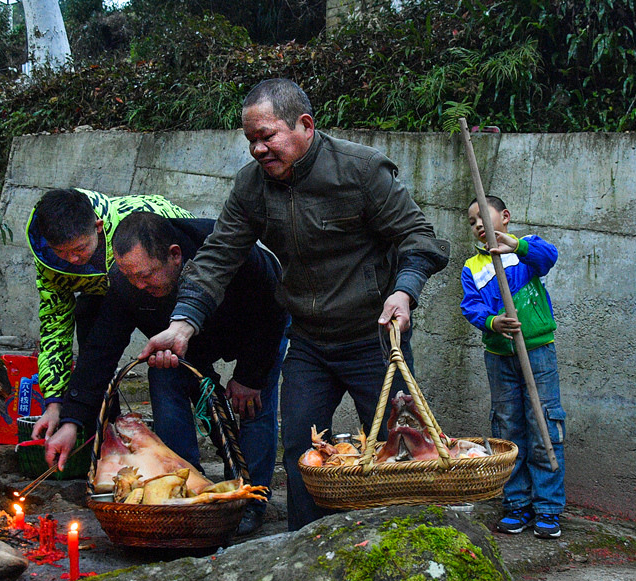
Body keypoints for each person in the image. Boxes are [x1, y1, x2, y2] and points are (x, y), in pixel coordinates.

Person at [138, 78, 450, 531]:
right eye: (251, 141)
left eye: (267, 137)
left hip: (375, 339)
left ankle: (400, 550)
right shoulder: (251, 187)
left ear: (304, 125)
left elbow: (419, 237)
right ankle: (304, 555)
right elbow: (217, 257)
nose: (258, 150)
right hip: (308, 342)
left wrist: (404, 290)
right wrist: (183, 324)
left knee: (397, 450)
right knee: (303, 455)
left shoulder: (360, 170)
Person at [45, 211, 288, 536]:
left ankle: (252, 500)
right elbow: (100, 351)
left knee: (253, 403)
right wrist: (72, 420)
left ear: (175, 255)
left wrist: (250, 376)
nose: (139, 286)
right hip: (182, 336)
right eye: (130, 277)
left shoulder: (227, 249)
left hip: (257, 323)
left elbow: (272, 307)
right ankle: (185, 486)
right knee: (163, 378)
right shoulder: (127, 283)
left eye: (146, 276)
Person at [25, 188, 194, 445]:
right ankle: (107, 435)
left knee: (171, 367)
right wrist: (55, 402)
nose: (73, 259)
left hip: (165, 285)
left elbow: (192, 266)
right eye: (62, 252)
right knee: (91, 334)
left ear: (98, 226)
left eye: (80, 248)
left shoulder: (144, 223)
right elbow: (54, 324)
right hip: (105, 297)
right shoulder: (48, 260)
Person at [460, 195, 566, 539]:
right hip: (499, 356)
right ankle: (516, 502)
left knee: (544, 422)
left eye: (483, 218)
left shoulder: (526, 252)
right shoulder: (472, 267)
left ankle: (548, 507)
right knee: (508, 426)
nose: (478, 225)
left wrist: (516, 246)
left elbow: (548, 257)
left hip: (537, 352)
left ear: (504, 217)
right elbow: (471, 306)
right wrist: (492, 322)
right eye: (472, 221)